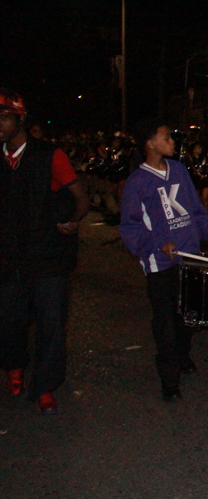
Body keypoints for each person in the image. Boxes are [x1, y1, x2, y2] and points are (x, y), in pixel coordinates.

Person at [119, 118, 208, 401]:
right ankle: (169, 380)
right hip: (161, 265)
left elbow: (194, 211)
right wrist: (158, 244)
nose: (172, 141)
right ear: (150, 143)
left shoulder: (179, 170)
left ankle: (182, 355)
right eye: (166, 137)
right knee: (166, 323)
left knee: (188, 318)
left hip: (190, 258)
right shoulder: (137, 182)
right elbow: (131, 227)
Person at [0, 89, 90, 415]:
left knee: (51, 323)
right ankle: (14, 367)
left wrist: (73, 219)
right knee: (9, 321)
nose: (0, 124)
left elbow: (81, 198)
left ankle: (44, 386)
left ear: (21, 119)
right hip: (9, 257)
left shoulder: (49, 155)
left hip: (49, 257)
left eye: (5, 117)